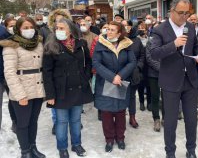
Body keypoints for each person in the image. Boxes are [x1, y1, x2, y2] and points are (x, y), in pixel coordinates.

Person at [150, 0, 198, 158]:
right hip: (171, 82)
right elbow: (154, 53)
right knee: (171, 122)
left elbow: (196, 46)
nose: (184, 16)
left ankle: (191, 150)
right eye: (181, 12)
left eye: (187, 13)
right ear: (171, 11)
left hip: (190, 80)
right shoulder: (160, 29)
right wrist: (173, 44)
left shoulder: (190, 26)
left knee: (191, 120)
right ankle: (170, 152)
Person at [43, 18, 93, 158]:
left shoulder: (81, 44)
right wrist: (50, 94)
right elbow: (47, 73)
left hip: (78, 87)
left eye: (62, 28)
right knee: (62, 121)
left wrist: (85, 76)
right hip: (60, 91)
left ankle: (76, 144)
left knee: (76, 120)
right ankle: (62, 147)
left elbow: (88, 62)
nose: (58, 31)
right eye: (57, 28)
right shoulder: (51, 46)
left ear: (70, 30)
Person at [0, 17, 45, 158]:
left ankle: (33, 147)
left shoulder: (38, 43)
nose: (29, 30)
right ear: (18, 29)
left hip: (37, 88)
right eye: (25, 28)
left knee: (33, 121)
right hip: (21, 90)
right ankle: (25, 151)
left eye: (31, 27)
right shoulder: (11, 45)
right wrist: (20, 95)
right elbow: (9, 72)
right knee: (23, 122)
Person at [93, 21, 136, 153]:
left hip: (121, 82)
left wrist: (120, 76)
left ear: (119, 33)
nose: (109, 32)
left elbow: (132, 62)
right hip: (106, 82)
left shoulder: (126, 44)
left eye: (112, 30)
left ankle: (120, 138)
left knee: (120, 112)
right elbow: (96, 63)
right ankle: (109, 139)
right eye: (108, 29)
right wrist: (112, 77)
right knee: (106, 113)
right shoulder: (101, 44)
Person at [122, 20, 145, 128]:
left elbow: (142, 55)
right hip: (121, 73)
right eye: (123, 25)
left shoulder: (136, 41)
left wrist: (138, 67)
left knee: (131, 96)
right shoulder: (117, 40)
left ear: (130, 27)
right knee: (120, 96)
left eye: (127, 25)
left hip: (134, 73)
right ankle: (120, 118)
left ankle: (132, 117)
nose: (125, 27)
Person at [0, 17, 17, 133]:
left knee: (14, 101)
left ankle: (16, 123)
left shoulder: (4, 32)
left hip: (11, 73)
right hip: (2, 73)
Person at [146, 23, 164, 132]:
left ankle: (165, 118)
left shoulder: (170, 41)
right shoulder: (150, 42)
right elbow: (149, 58)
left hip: (167, 74)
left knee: (167, 97)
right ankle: (156, 118)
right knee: (155, 97)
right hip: (153, 74)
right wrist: (161, 69)